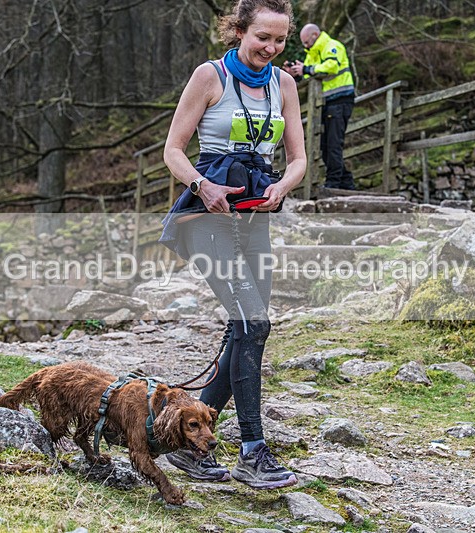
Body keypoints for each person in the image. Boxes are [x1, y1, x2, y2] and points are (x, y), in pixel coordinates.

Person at [159, 0, 306, 490]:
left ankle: (189, 446)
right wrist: (204, 185)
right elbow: (173, 149)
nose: (271, 47)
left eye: (280, 39)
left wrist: (282, 187)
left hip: (255, 219)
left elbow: (299, 158)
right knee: (252, 322)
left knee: (249, 331)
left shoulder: (284, 84)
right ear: (240, 30)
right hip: (208, 215)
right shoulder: (210, 76)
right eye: (263, 36)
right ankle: (252, 450)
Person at [283, 23, 356, 190]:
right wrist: (295, 73)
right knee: (324, 145)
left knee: (333, 144)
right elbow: (308, 73)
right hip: (327, 102)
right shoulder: (313, 53)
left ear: (315, 35)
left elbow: (331, 66)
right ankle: (346, 183)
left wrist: (307, 68)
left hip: (340, 100)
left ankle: (334, 183)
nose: (305, 46)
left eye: (307, 42)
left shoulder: (332, 46)